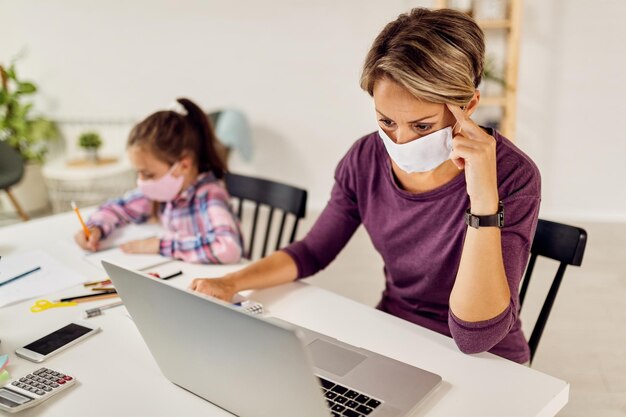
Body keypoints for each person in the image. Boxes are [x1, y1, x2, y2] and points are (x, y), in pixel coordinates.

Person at [189, 8, 540, 364]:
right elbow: (312, 251)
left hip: (489, 359)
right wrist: (231, 282)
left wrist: (483, 197)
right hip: (397, 333)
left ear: (468, 105)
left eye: (421, 126)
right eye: (386, 121)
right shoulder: (365, 159)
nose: (400, 140)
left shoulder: (512, 175)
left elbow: (472, 336)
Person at [74, 98, 243, 264]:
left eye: (148, 174)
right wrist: (96, 228)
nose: (141, 181)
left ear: (183, 166)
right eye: (138, 173)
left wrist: (159, 245)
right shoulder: (163, 191)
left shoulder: (210, 194)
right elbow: (118, 208)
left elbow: (228, 248)